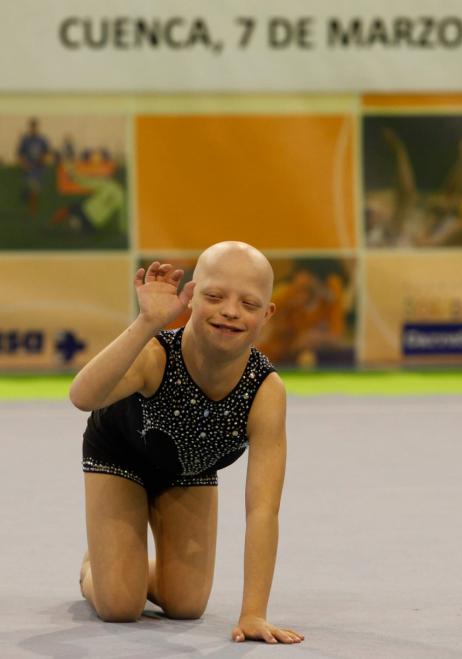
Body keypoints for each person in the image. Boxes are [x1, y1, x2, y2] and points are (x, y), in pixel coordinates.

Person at [69, 241, 304, 644]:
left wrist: (253, 613)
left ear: (267, 314)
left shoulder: (265, 392)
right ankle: (98, 567)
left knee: (186, 605)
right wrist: (147, 324)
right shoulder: (156, 357)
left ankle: (127, 562)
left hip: (188, 470)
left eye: (249, 304)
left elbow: (263, 509)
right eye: (215, 297)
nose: (230, 311)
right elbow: (82, 396)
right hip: (119, 457)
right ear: (191, 296)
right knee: (119, 607)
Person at [16, 117, 51, 215]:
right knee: (32, 189)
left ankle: (32, 209)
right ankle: (31, 209)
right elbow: (20, 154)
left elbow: (47, 152)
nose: (33, 128)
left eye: (35, 126)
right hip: (29, 170)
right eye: (32, 126)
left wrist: (44, 159)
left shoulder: (42, 139)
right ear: (30, 127)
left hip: (39, 170)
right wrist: (23, 164)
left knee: (35, 190)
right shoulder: (25, 140)